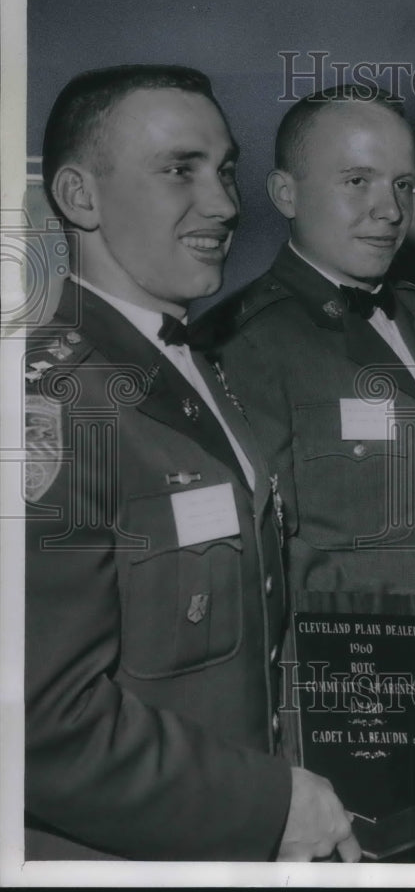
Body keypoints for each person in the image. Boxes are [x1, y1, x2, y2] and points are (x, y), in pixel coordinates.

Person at [198, 86, 415, 856]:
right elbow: (256, 574)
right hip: (331, 724)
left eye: (402, 183)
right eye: (356, 181)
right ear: (286, 193)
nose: (389, 209)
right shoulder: (243, 345)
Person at [24, 65, 359, 862]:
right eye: (180, 170)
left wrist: (409, 752)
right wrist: (270, 806)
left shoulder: (197, 370)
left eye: (226, 169)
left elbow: (258, 625)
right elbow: (35, 719)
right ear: (80, 197)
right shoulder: (52, 408)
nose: (224, 204)